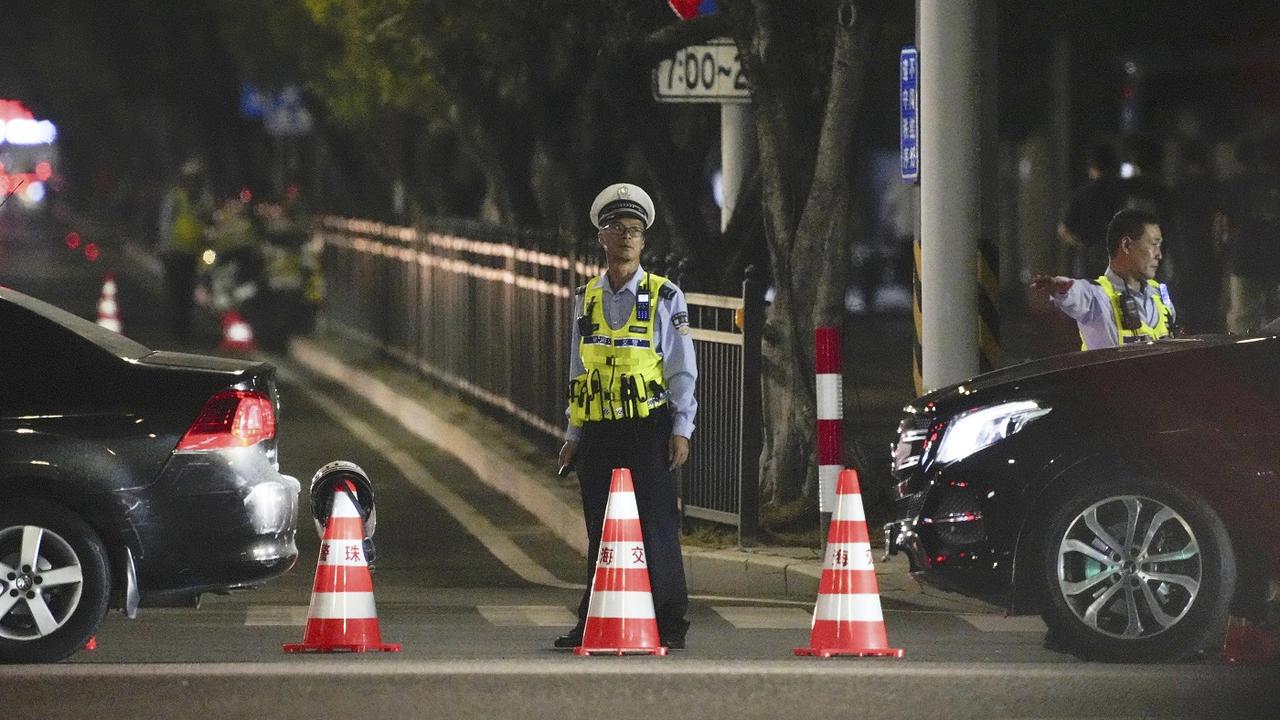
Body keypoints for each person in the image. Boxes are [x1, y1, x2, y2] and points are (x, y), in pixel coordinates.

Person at [554, 183, 697, 650]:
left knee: (656, 525)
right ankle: (593, 620)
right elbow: (579, 369)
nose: (627, 237)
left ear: (644, 241)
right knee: (600, 529)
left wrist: (681, 429)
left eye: (635, 231)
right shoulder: (586, 297)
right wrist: (573, 433)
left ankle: (669, 622)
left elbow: (681, 369)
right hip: (598, 429)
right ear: (602, 237)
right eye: (618, 229)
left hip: (647, 426)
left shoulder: (665, 296)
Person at [1032, 208, 1176, 350]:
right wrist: (1058, 287)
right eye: (1153, 244)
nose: (1159, 255)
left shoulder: (1160, 292)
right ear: (1126, 245)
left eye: (1160, 245)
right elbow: (1074, 291)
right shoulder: (1096, 297)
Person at [1217, 134, 1280, 334]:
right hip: (1275, 256)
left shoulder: (1233, 185)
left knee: (1243, 320)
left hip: (1245, 258)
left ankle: (1243, 360)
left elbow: (1225, 227)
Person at [157, 158, 213, 340]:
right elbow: (165, 224)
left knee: (188, 293)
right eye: (191, 179)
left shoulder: (203, 202)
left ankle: (184, 329)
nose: (194, 184)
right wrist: (165, 248)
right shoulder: (175, 198)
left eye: (197, 180)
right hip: (174, 253)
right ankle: (176, 329)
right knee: (175, 292)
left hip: (192, 254)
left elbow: (208, 225)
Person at [1058, 143, 1123, 277]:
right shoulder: (1121, 194)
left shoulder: (1081, 194)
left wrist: (1080, 243)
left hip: (1086, 257)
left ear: (1092, 167)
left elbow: (1064, 230)